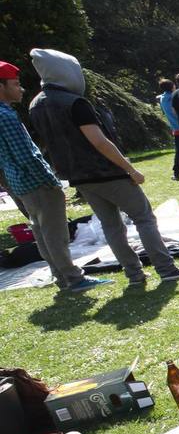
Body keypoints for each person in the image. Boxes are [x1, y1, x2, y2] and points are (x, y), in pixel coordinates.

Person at [27, 49, 179, 287]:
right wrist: (130, 169)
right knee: (144, 218)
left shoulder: (36, 105)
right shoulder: (74, 103)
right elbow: (99, 141)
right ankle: (166, 268)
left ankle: (134, 274)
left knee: (111, 225)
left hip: (78, 177)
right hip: (106, 172)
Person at [0, 60, 106, 291]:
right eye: (15, 84)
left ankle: (61, 276)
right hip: (35, 183)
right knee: (55, 234)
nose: (21, 89)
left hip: (20, 184)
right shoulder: (5, 116)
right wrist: (52, 182)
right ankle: (74, 278)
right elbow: (27, 155)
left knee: (42, 232)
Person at [155, 78, 179, 181]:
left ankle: (177, 174)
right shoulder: (173, 97)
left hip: (176, 129)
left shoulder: (162, 98)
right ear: (172, 86)